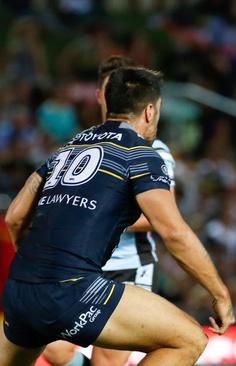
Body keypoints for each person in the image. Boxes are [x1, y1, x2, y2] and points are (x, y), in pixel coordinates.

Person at [0, 67, 234, 366]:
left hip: (20, 287)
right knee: (189, 339)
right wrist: (220, 294)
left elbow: (15, 217)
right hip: (70, 288)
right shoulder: (141, 154)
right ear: (150, 111)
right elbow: (174, 233)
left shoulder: (66, 149)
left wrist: (37, 270)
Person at [42, 55, 179, 366]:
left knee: (107, 362)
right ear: (100, 94)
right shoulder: (84, 145)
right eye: (109, 88)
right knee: (52, 347)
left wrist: (95, 216)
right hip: (82, 267)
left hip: (128, 268)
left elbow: (159, 217)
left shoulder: (153, 150)